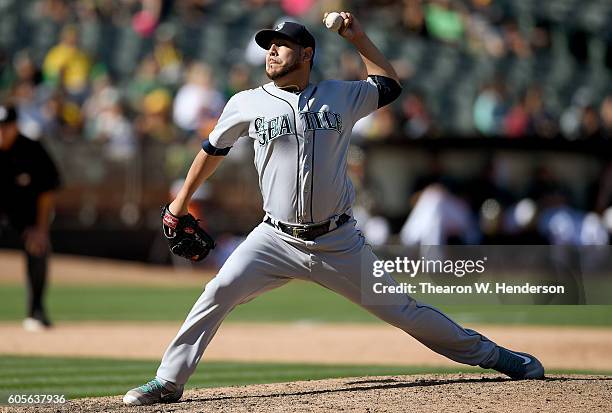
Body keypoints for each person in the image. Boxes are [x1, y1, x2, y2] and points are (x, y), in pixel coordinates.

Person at [124, 14, 544, 406]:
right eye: (269, 45)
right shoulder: (246, 102)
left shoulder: (340, 95)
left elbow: (389, 84)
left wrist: (356, 35)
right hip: (274, 238)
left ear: (306, 54)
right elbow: (212, 150)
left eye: (282, 45)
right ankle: (168, 381)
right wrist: (179, 204)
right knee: (216, 292)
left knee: (405, 312)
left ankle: (498, 357)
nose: (271, 51)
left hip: (338, 241)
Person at [0, 104, 61, 331]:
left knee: (39, 246)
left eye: (5, 127)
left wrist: (41, 229)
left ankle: (36, 311)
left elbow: (47, 192)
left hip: (24, 219)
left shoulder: (31, 150)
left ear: (15, 126)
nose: (1, 132)